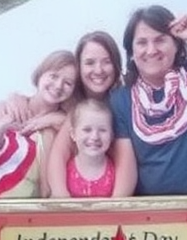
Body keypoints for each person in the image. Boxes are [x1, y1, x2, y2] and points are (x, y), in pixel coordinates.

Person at [109, 5, 187, 196]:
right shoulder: (121, 99)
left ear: (177, 44)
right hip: (158, 219)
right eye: (142, 42)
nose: (151, 50)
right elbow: (126, 169)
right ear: (131, 51)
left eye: (160, 40)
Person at [0, 49, 78, 199]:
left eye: (68, 83)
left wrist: (52, 119)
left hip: (12, 205)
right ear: (40, 74)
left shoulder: (58, 128)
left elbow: (46, 187)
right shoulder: (7, 106)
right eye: (53, 76)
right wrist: (6, 122)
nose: (58, 85)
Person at [44, 30, 136, 198]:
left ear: (116, 65)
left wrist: (115, 208)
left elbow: (126, 161)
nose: (98, 70)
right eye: (90, 62)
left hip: (114, 202)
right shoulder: (71, 101)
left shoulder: (122, 102)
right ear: (79, 67)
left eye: (106, 62)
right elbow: (59, 153)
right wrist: (61, 195)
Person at [64, 97, 117, 198]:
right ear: (73, 134)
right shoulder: (65, 171)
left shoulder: (117, 173)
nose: (95, 137)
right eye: (87, 130)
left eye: (102, 130)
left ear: (112, 135)